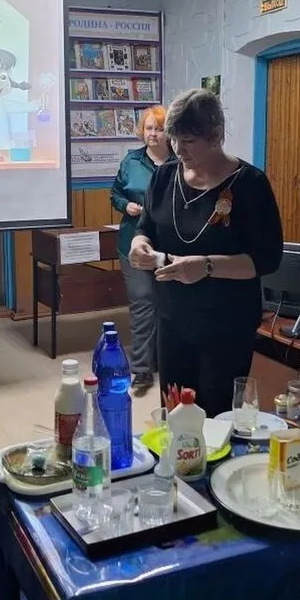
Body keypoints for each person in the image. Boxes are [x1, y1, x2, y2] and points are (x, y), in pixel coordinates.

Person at [129, 89, 284, 416]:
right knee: (174, 409)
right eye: (173, 139)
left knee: (215, 413)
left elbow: (267, 259)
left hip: (226, 322)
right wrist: (138, 244)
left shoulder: (250, 184)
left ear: (216, 135)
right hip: (172, 315)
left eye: (188, 140)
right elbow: (146, 227)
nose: (178, 149)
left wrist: (207, 266)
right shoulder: (164, 176)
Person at [110, 105, 173, 395]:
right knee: (144, 301)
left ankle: (163, 360)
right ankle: (142, 369)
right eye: (149, 128)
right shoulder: (131, 161)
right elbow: (115, 193)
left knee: (168, 304)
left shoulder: (180, 162)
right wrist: (126, 206)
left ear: (168, 132)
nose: (153, 134)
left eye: (159, 128)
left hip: (171, 247)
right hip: (133, 244)